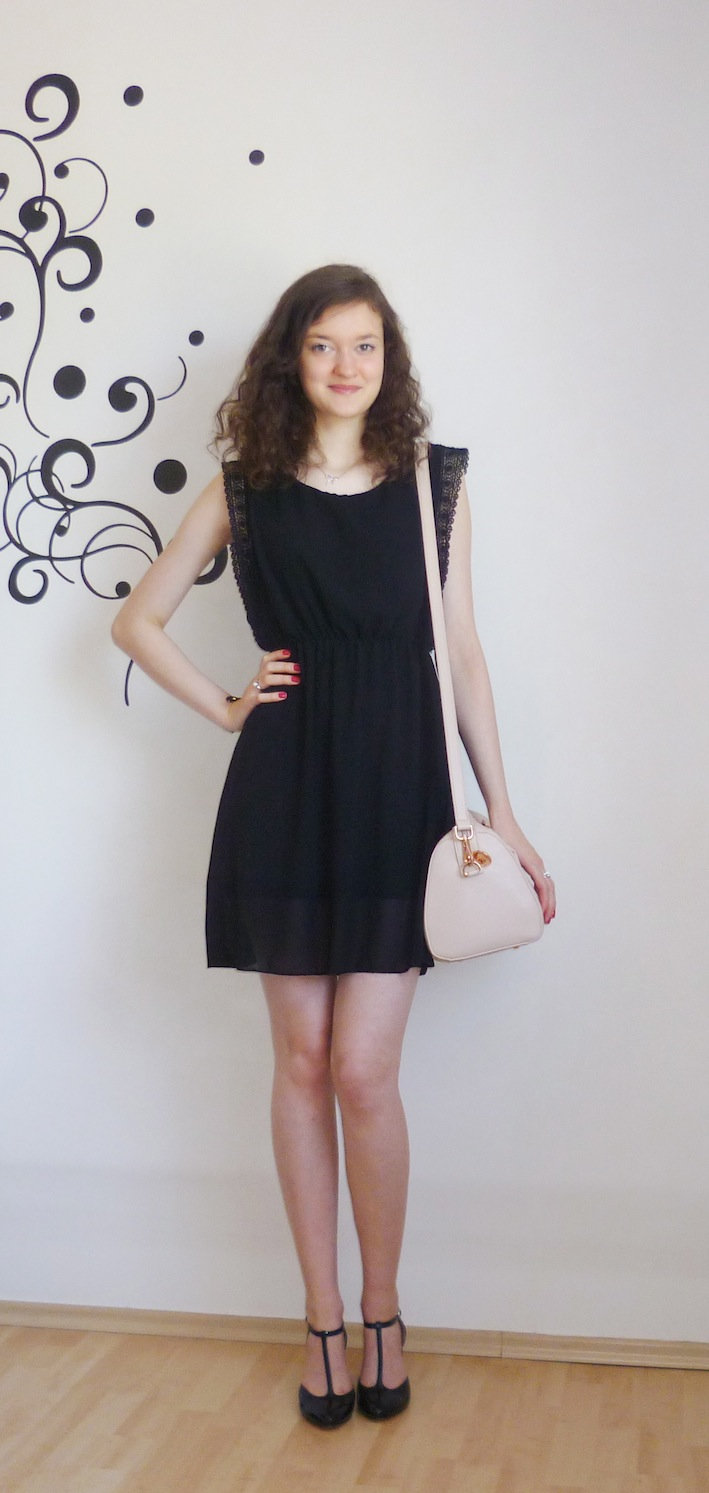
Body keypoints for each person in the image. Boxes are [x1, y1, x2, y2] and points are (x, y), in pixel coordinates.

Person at [111, 263, 556, 1430]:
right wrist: (224, 705)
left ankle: (384, 1308)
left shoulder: (432, 481)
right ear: (291, 359)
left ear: (387, 359)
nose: (345, 364)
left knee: (364, 1069)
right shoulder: (246, 488)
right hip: (285, 788)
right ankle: (321, 1319)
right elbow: (135, 618)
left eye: (364, 344)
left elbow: (463, 655)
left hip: (398, 789)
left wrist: (503, 814)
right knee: (301, 1063)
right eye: (322, 344)